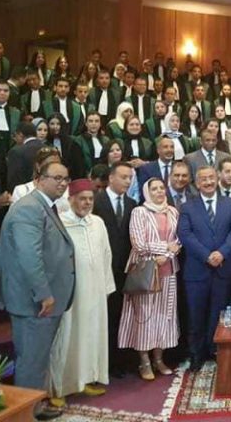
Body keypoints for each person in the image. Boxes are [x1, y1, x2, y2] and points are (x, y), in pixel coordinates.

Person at [0, 161, 75, 421]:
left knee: (38, 358)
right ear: (39, 179)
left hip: (42, 300)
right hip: (34, 301)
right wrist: (44, 294)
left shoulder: (44, 205)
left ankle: (36, 407)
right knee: (31, 360)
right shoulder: (29, 208)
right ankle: (26, 414)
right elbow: (30, 256)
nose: (62, 183)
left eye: (65, 178)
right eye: (57, 178)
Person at [50, 179, 115, 406]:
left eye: (90, 199)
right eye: (82, 199)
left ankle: (85, 380)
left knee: (91, 336)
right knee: (67, 338)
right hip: (71, 293)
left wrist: (107, 286)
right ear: (70, 200)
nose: (87, 203)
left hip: (95, 290)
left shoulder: (97, 222)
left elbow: (106, 254)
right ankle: (59, 388)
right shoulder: (60, 223)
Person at [178, 166, 231, 372]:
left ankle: (215, 350)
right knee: (196, 315)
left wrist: (221, 253)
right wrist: (207, 256)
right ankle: (196, 354)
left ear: (217, 179)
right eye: (203, 179)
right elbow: (185, 234)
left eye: (211, 178)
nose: (208, 182)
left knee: (218, 313)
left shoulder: (230, 203)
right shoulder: (187, 207)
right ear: (197, 184)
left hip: (224, 268)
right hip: (197, 270)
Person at [118, 178, 181, 380]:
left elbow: (178, 241)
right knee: (145, 317)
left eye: (162, 188)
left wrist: (168, 255)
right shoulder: (139, 212)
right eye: (154, 189)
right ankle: (144, 362)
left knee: (165, 315)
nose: (159, 192)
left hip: (168, 270)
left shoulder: (173, 211)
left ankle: (159, 359)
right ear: (147, 192)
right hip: (145, 272)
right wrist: (164, 248)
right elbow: (138, 244)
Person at [93, 162, 137, 378]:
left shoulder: (132, 204)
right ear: (111, 178)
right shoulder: (96, 201)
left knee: (122, 315)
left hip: (125, 270)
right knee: (105, 317)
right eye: (123, 177)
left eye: (130, 178)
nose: (128, 181)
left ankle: (121, 360)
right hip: (102, 269)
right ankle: (104, 363)